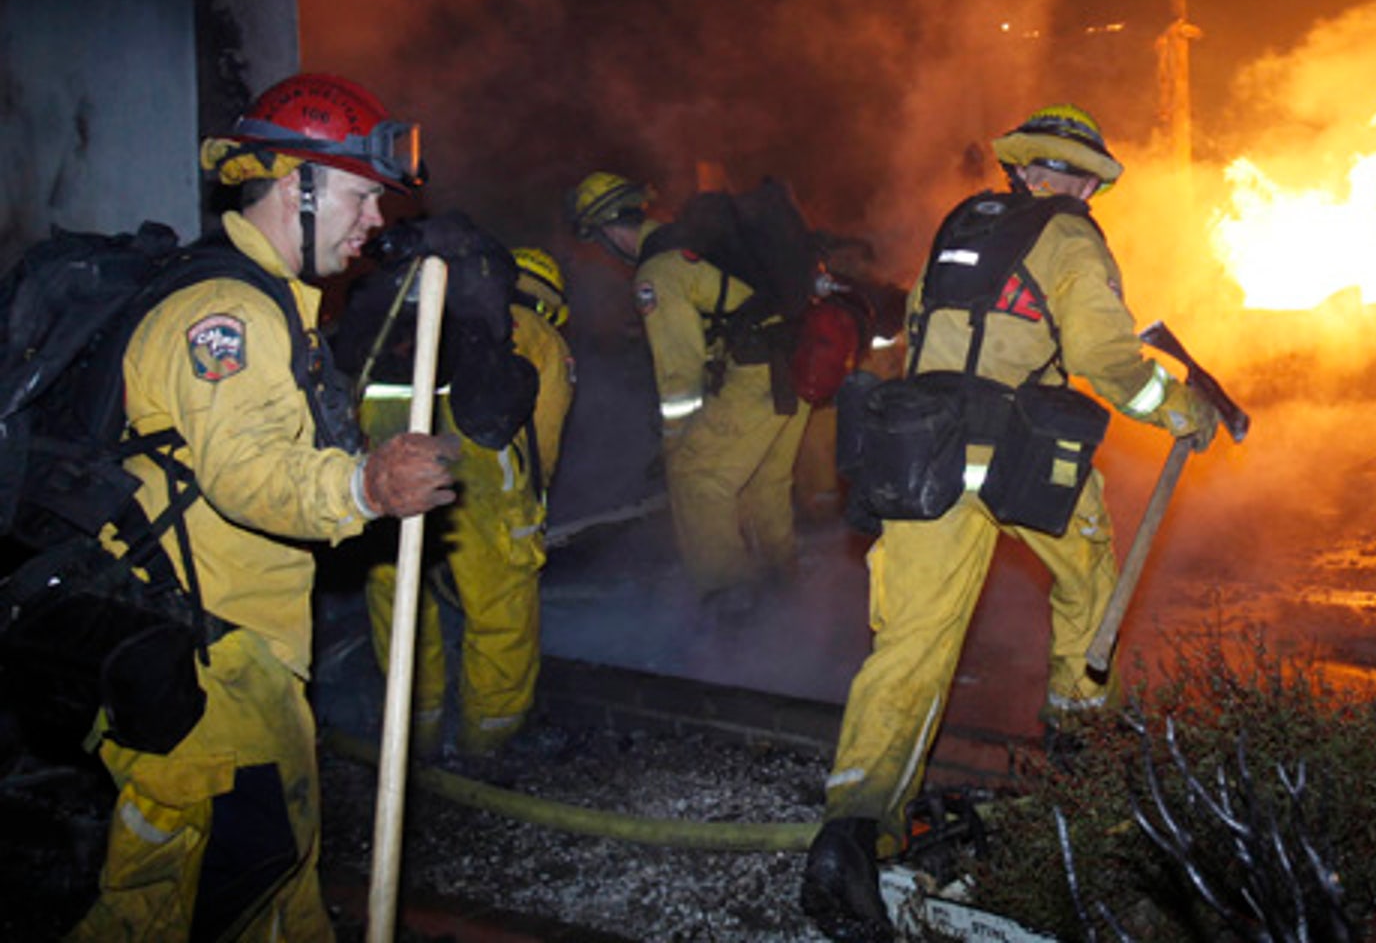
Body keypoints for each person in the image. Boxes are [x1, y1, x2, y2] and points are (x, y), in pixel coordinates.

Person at [800, 105, 1221, 941]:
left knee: (911, 644)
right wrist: (1179, 409)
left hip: (923, 459)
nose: (1083, 191)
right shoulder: (1070, 239)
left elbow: (923, 338)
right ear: (1058, 174)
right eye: (1079, 177)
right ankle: (1077, 749)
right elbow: (1106, 360)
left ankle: (851, 832)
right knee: (1090, 583)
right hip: (1022, 455)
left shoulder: (961, 228)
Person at [73, 72, 456, 940]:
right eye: (363, 198)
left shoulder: (271, 301)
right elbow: (244, 471)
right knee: (175, 909)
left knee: (271, 887)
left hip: (235, 652)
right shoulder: (227, 313)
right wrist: (362, 487)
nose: (374, 224)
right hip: (208, 665)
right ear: (299, 184)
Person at [357, 241, 575, 757]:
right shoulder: (537, 334)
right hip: (478, 473)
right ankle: (490, 740)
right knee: (501, 608)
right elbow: (545, 435)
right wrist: (530, 506)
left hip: (388, 464)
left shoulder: (411, 323)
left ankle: (413, 739)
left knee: (402, 599)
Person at [567, 171, 812, 621]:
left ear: (606, 231)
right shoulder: (696, 244)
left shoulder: (656, 271)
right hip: (795, 365)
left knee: (698, 479)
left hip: (756, 375)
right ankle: (782, 595)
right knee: (762, 484)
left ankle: (730, 608)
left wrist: (677, 442)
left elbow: (679, 370)